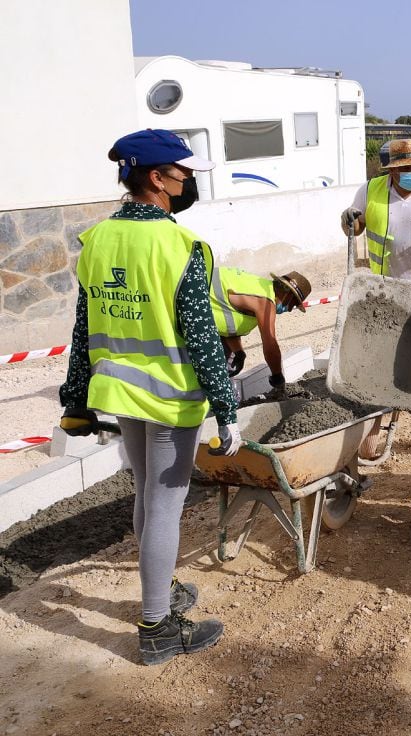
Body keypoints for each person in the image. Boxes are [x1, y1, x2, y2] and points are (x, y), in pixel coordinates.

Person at [58, 129, 242, 665]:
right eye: (183, 175)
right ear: (157, 179)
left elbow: (82, 326)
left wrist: (76, 398)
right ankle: (158, 627)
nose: (188, 185)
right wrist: (226, 408)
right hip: (168, 398)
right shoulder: (181, 246)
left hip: (121, 392)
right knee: (165, 506)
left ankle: (158, 591)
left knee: (145, 495)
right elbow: (201, 333)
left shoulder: (97, 241)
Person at [340, 139, 411, 279]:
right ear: (392, 169)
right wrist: (347, 221)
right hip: (384, 284)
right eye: (406, 168)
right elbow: (354, 230)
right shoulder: (369, 190)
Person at [208, 267, 311, 384]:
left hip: (204, 311)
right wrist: (277, 376)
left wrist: (238, 352)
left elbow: (228, 318)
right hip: (196, 304)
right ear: (287, 294)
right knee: (212, 378)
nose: (291, 309)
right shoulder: (265, 301)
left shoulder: (259, 290)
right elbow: (270, 343)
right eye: (294, 304)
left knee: (223, 375)